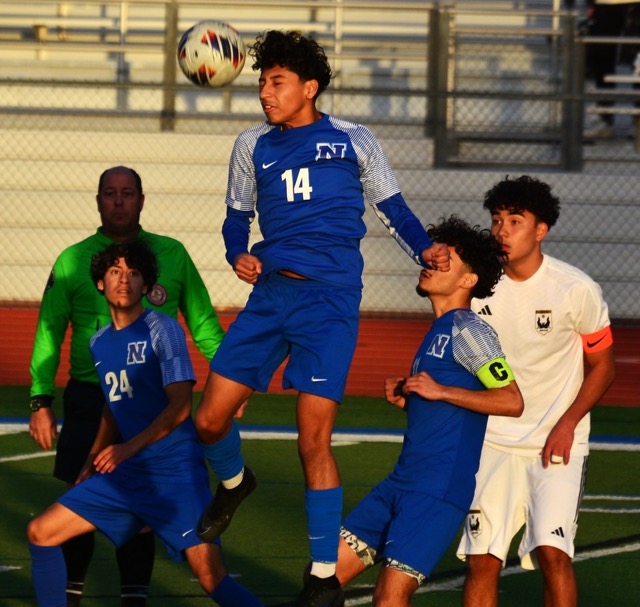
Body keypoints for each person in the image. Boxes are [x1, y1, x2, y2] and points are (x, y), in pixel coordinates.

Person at [192, 29, 451, 607]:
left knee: (313, 440)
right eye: (261, 81)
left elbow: (393, 208)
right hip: (269, 299)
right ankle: (235, 484)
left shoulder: (354, 139)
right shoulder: (250, 144)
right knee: (208, 421)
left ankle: (320, 579)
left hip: (329, 305)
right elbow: (237, 217)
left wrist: (424, 248)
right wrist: (239, 251)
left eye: (276, 82)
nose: (264, 91)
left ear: (309, 88)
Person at [27, 166, 225, 606]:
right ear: (98, 201)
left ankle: (134, 595)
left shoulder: (170, 255)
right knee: (78, 502)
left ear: (141, 200)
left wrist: (232, 381)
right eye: (110, 194)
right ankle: (69, 593)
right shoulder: (73, 260)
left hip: (153, 403)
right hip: (90, 399)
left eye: (127, 193)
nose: (118, 201)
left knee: (142, 512)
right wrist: (41, 398)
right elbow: (48, 330)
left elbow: (203, 322)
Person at [331, 216, 524, 606]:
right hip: (401, 482)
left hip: (436, 491)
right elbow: (446, 409)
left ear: (468, 281)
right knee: (323, 577)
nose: (431, 262)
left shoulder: (470, 329)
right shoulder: (437, 330)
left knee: (389, 598)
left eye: (445, 260)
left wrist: (440, 390)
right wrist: (413, 399)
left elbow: (511, 400)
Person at [456, 175, 616, 607]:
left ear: (540, 230)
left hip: (556, 442)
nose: (501, 231)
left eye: (515, 220)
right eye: (496, 220)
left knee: (553, 555)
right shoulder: (476, 287)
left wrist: (568, 424)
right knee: (482, 560)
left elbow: (603, 367)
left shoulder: (575, 288)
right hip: (490, 442)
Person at [584, 0, 640, 138]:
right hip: (604, 5)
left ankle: (638, 122)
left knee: (638, 60)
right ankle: (604, 117)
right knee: (601, 58)